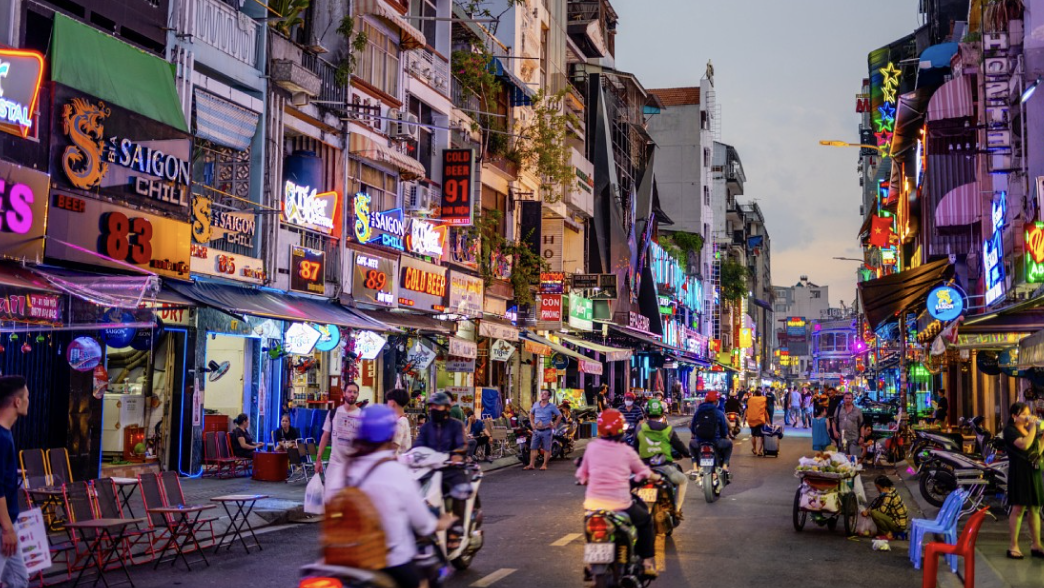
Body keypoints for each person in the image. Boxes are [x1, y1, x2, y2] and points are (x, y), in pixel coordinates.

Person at [345, 405, 454, 588]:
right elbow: (421, 521)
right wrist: (439, 522)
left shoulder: (351, 467)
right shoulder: (395, 471)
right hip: (391, 560)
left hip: (352, 558)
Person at [575, 409, 660, 577]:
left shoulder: (591, 448)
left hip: (593, 506)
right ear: (622, 429)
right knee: (645, 521)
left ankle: (593, 565)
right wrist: (655, 477)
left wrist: (585, 480)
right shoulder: (626, 451)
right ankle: (647, 562)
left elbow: (581, 476)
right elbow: (643, 472)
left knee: (590, 526)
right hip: (620, 505)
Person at [413, 393, 469, 549]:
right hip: (429, 470)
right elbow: (417, 445)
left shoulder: (456, 425)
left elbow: (462, 444)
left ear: (447, 408)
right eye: (431, 406)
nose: (433, 409)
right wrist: (408, 456)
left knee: (459, 491)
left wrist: (457, 455)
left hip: (450, 469)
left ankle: (456, 531)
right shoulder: (425, 428)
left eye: (437, 406)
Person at [1002, 402, 1043, 559]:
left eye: (1029, 413)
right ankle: (1014, 545)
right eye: (1024, 413)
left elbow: (1036, 450)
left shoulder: (1027, 430)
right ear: (1014, 416)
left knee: (1034, 509)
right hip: (1019, 473)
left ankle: (1036, 544)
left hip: (1033, 471)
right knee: (1018, 509)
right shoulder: (1010, 431)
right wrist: (1033, 428)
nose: (1028, 416)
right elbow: (1024, 445)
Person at [635, 399, 690, 517]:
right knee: (683, 480)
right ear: (661, 413)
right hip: (664, 468)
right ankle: (676, 510)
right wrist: (687, 453)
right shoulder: (668, 429)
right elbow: (679, 445)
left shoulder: (639, 429)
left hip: (644, 469)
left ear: (646, 413)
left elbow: (634, 448)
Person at [0, 376, 30, 588]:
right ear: (17, 402)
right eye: (27, 397)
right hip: (3, 526)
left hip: (9, 522)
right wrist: (7, 528)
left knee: (19, 580)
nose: (29, 400)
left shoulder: (5, 434)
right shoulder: (1, 437)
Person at [316, 381, 363, 501]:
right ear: (344, 394)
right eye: (349, 391)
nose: (352, 394)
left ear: (357, 395)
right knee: (330, 498)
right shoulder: (333, 413)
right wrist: (318, 459)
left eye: (355, 392)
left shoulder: (362, 416)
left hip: (353, 465)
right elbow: (325, 436)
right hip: (335, 462)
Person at [690, 391, 733, 477]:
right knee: (729, 444)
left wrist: (694, 434)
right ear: (716, 402)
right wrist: (726, 436)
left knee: (691, 444)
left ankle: (695, 467)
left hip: (700, 441)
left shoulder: (698, 411)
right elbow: (724, 429)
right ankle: (724, 466)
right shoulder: (719, 413)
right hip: (715, 441)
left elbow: (693, 425)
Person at [526, 389, 562, 471]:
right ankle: (531, 464)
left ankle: (544, 464)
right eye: (542, 393)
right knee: (533, 447)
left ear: (549, 397)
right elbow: (531, 414)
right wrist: (532, 423)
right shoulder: (536, 404)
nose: (542, 395)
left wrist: (555, 424)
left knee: (546, 448)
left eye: (545, 394)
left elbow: (559, 415)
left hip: (547, 430)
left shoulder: (552, 406)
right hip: (536, 430)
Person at [833, 391, 864, 456]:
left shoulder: (858, 410)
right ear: (843, 399)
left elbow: (861, 424)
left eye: (850, 398)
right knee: (843, 457)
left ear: (852, 399)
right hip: (842, 438)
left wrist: (862, 436)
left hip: (854, 438)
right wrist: (835, 431)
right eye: (846, 398)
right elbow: (834, 421)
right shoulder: (839, 409)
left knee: (853, 457)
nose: (848, 400)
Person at [385, 388, 412, 456]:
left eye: (388, 401)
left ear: (393, 403)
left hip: (399, 461)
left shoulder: (400, 422)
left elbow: (394, 446)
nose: (387, 404)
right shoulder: (402, 419)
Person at [745, 389, 768, 456]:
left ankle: (754, 449)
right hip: (760, 420)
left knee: (753, 435)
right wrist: (768, 421)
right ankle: (759, 451)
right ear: (761, 394)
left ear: (754, 394)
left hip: (752, 420)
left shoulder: (750, 400)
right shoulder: (763, 400)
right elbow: (765, 412)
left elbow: (746, 410)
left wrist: (744, 420)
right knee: (762, 436)